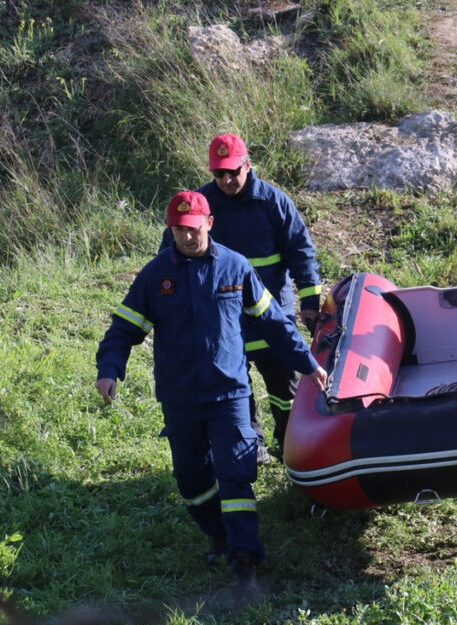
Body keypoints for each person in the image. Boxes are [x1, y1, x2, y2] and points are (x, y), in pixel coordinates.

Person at [100, 190, 327, 588]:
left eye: (193, 229)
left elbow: (274, 323)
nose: (187, 237)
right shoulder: (155, 276)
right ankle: (217, 532)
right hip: (180, 396)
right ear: (171, 230)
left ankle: (245, 561)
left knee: (236, 475)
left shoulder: (235, 268)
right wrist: (109, 370)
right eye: (178, 230)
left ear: (209, 223)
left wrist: (307, 365)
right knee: (191, 480)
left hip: (229, 395)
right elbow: (124, 328)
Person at [163, 133, 323, 464]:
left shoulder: (273, 203)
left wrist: (309, 303)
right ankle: (253, 447)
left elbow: (301, 252)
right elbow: (172, 255)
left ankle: (290, 442)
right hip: (222, 318)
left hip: (271, 313)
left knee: (285, 389)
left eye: (233, 171)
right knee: (237, 388)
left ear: (248, 166)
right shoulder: (201, 206)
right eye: (218, 174)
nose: (226, 180)